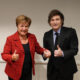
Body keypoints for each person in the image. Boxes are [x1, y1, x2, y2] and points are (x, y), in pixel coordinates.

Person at [1, 15, 51, 80]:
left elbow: (39, 49)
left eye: (26, 26)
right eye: (21, 26)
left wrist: (45, 51)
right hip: (14, 73)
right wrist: (12, 57)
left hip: (28, 72)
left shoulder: (32, 37)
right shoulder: (10, 39)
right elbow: (4, 55)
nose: (24, 29)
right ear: (17, 26)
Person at [43, 9, 78, 80]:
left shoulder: (70, 32)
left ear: (61, 21)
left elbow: (75, 50)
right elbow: (45, 50)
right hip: (52, 71)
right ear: (49, 22)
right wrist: (45, 55)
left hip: (67, 69)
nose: (55, 22)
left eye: (57, 19)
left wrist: (62, 53)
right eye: (52, 20)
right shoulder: (47, 34)